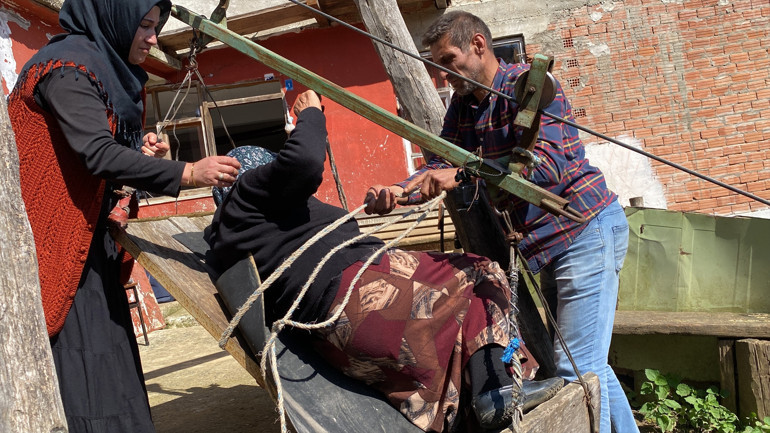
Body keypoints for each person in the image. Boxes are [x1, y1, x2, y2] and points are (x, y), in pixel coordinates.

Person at [204, 90, 563, 432]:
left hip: (339, 336)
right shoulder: (247, 191)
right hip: (365, 290)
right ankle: (498, 389)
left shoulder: (233, 237)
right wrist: (310, 112)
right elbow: (304, 162)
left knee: (466, 317)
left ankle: (492, 391)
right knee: (482, 275)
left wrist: (395, 193)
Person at [364, 11, 637, 433]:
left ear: (478, 44)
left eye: (449, 60)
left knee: (577, 368)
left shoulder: (530, 87)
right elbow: (441, 161)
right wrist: (399, 191)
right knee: (585, 364)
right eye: (437, 64)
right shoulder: (463, 105)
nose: (443, 74)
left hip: (585, 231)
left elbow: (547, 168)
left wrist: (464, 173)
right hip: (550, 247)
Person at [8, 1, 241, 431]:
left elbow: (94, 161)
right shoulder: (67, 69)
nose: (153, 38)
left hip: (90, 248)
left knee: (110, 368)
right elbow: (97, 154)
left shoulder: (105, 70)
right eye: (145, 26)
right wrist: (187, 173)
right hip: (54, 249)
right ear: (114, 17)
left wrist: (138, 156)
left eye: (156, 26)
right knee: (85, 377)